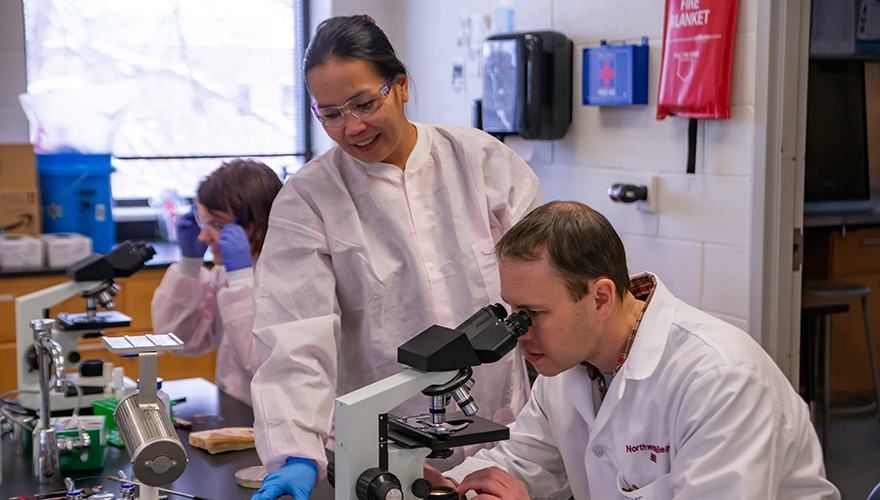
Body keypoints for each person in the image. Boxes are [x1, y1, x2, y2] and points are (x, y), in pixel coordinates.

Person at [249, 14, 543, 500]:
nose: (353, 126)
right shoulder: (309, 198)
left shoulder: (481, 162)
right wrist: (295, 448)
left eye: (364, 103)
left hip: (502, 434)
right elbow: (295, 333)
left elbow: (548, 286)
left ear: (401, 85)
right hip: (382, 450)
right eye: (331, 113)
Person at [425, 201, 840, 500]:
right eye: (513, 312)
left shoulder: (719, 380)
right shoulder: (569, 367)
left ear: (601, 298)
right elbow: (523, 460)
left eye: (532, 313)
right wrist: (444, 487)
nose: (518, 332)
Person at [151, 159, 282, 406]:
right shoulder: (225, 271)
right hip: (235, 408)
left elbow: (270, 369)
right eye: (203, 222)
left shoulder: (293, 275)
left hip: (280, 420)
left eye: (217, 225)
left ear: (260, 222)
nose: (203, 236)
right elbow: (180, 341)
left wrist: (241, 282)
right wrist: (189, 265)